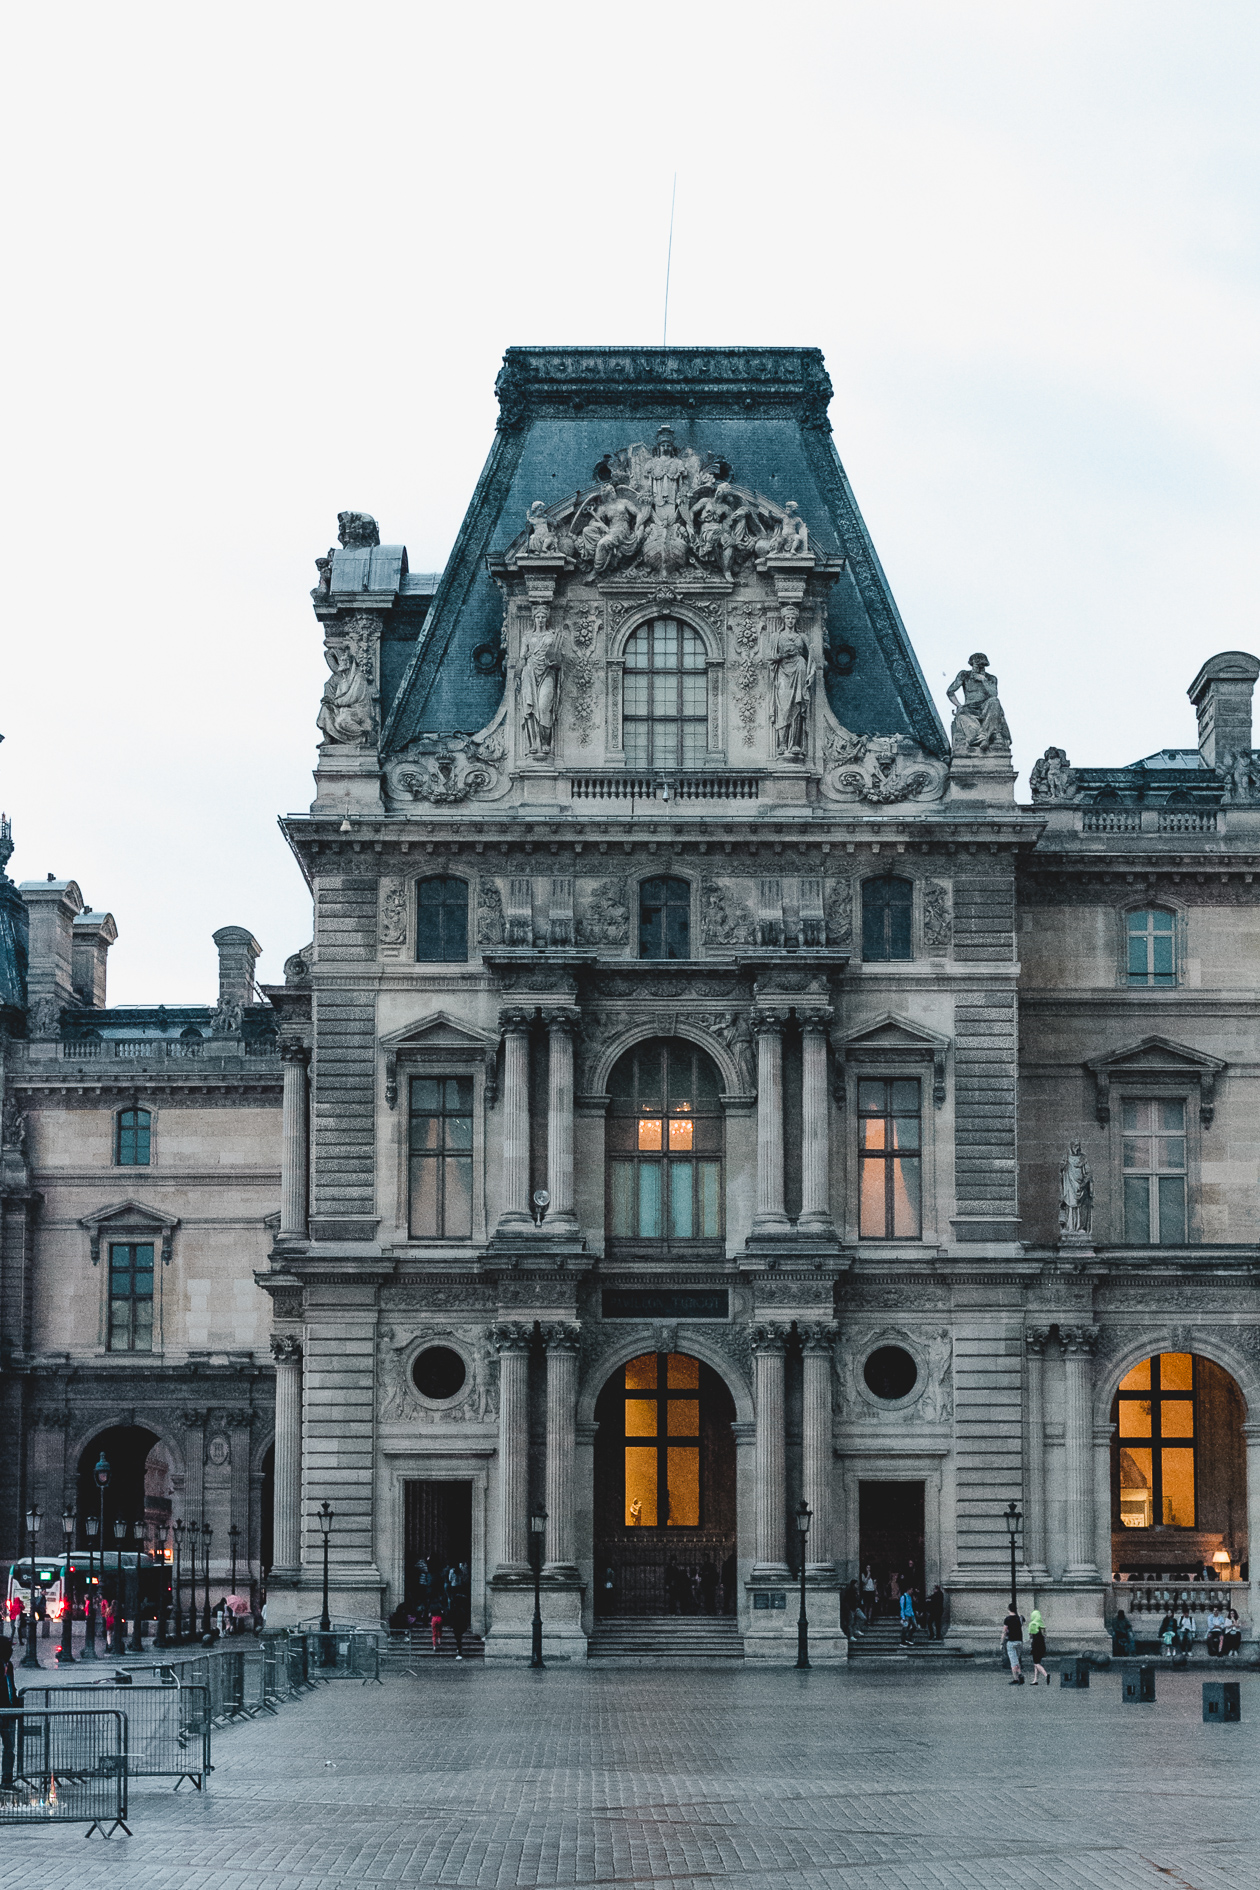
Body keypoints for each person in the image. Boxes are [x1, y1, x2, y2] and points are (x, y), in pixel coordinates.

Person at [0, 1636, 16, 1790]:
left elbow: (12, 1687)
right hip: (2, 1710)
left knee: (9, 1748)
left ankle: (7, 1780)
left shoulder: (9, 1665)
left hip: (9, 1712)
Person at [1001, 1604, 1025, 1684]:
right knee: (1016, 1660)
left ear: (1008, 1609)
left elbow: (1004, 1631)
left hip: (1011, 1642)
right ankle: (1020, 1675)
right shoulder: (1019, 1618)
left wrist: (1001, 1642)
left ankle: (1016, 1678)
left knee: (1013, 1662)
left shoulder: (1007, 1619)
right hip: (1019, 1642)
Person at [1027, 1608, 1050, 1686]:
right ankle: (1035, 1679)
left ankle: (1046, 1675)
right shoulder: (1042, 1624)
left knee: (1036, 1663)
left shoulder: (1032, 1624)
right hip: (1042, 1645)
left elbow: (1030, 1635)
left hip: (1036, 1645)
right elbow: (1045, 1635)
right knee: (1037, 1662)